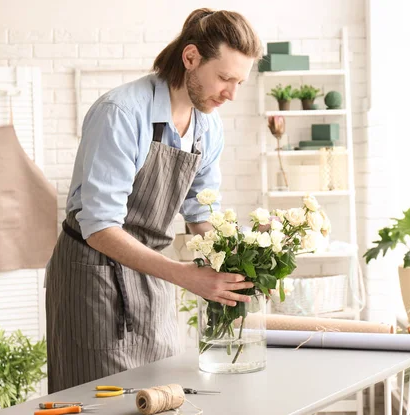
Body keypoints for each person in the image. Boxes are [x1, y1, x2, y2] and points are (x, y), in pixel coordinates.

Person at [45, 8, 263, 393]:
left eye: (239, 82)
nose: (231, 93)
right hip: (94, 279)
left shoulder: (207, 126)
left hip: (154, 280)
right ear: (191, 58)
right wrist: (187, 276)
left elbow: (201, 215)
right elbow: (99, 226)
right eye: (225, 78)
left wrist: (245, 264)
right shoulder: (122, 113)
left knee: (160, 395)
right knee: (102, 399)